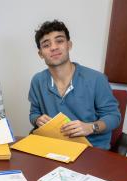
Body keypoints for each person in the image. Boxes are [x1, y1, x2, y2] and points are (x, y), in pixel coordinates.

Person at [28, 20, 121, 149]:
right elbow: (34, 113)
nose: (53, 47)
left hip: (91, 150)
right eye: (46, 45)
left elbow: (114, 117)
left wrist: (91, 127)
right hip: (52, 146)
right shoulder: (37, 80)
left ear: (69, 45)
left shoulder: (97, 79)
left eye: (59, 41)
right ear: (40, 54)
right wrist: (37, 119)